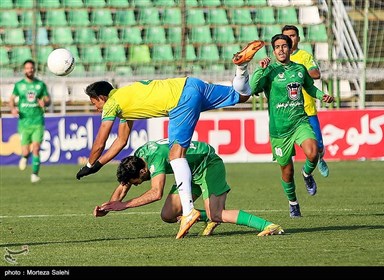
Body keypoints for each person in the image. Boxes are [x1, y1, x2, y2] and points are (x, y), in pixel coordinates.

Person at [75, 40, 266, 239]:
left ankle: (189, 211)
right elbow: (121, 141)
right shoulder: (124, 97)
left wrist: (89, 163)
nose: (96, 107)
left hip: (180, 101)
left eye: (94, 102)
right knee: (241, 96)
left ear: (102, 97)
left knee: (176, 154)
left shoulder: (111, 104)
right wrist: (98, 165)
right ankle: (241, 67)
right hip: (191, 84)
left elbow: (100, 141)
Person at [93, 139, 284, 239]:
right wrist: (109, 206)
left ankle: (268, 225)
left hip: (208, 164)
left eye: (136, 181)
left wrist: (124, 205)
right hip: (187, 170)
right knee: (168, 214)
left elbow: (156, 193)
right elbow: (123, 185)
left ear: (143, 171)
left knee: (217, 213)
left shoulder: (156, 159)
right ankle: (205, 217)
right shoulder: (139, 156)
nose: (135, 185)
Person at [250, 34, 334, 218]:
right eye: (277, 47)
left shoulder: (299, 69)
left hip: (299, 122)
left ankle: (306, 174)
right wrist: (259, 70)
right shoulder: (269, 71)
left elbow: (310, 88)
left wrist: (322, 96)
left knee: (313, 152)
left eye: (284, 46)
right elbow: (252, 88)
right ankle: (293, 203)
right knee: (287, 171)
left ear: (290, 48)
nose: (281, 49)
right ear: (273, 51)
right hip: (280, 130)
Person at [282, 25, 329, 177]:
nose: (290, 38)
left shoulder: (304, 56)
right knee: (287, 154)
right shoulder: (279, 58)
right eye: (287, 36)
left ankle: (319, 159)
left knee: (318, 146)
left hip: (307, 109)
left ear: (298, 38)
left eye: (293, 35)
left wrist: (301, 71)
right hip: (286, 111)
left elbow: (316, 74)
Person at [9, 59, 51, 183]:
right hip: (24, 122)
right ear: (24, 70)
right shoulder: (19, 85)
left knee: (36, 148)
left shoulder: (41, 85)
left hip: (37, 121)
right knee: (26, 151)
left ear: (34, 69)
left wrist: (45, 102)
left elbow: (48, 100)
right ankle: (24, 156)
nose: (29, 70)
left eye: (31, 68)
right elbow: (11, 99)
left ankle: (34, 174)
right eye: (27, 68)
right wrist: (12, 109)